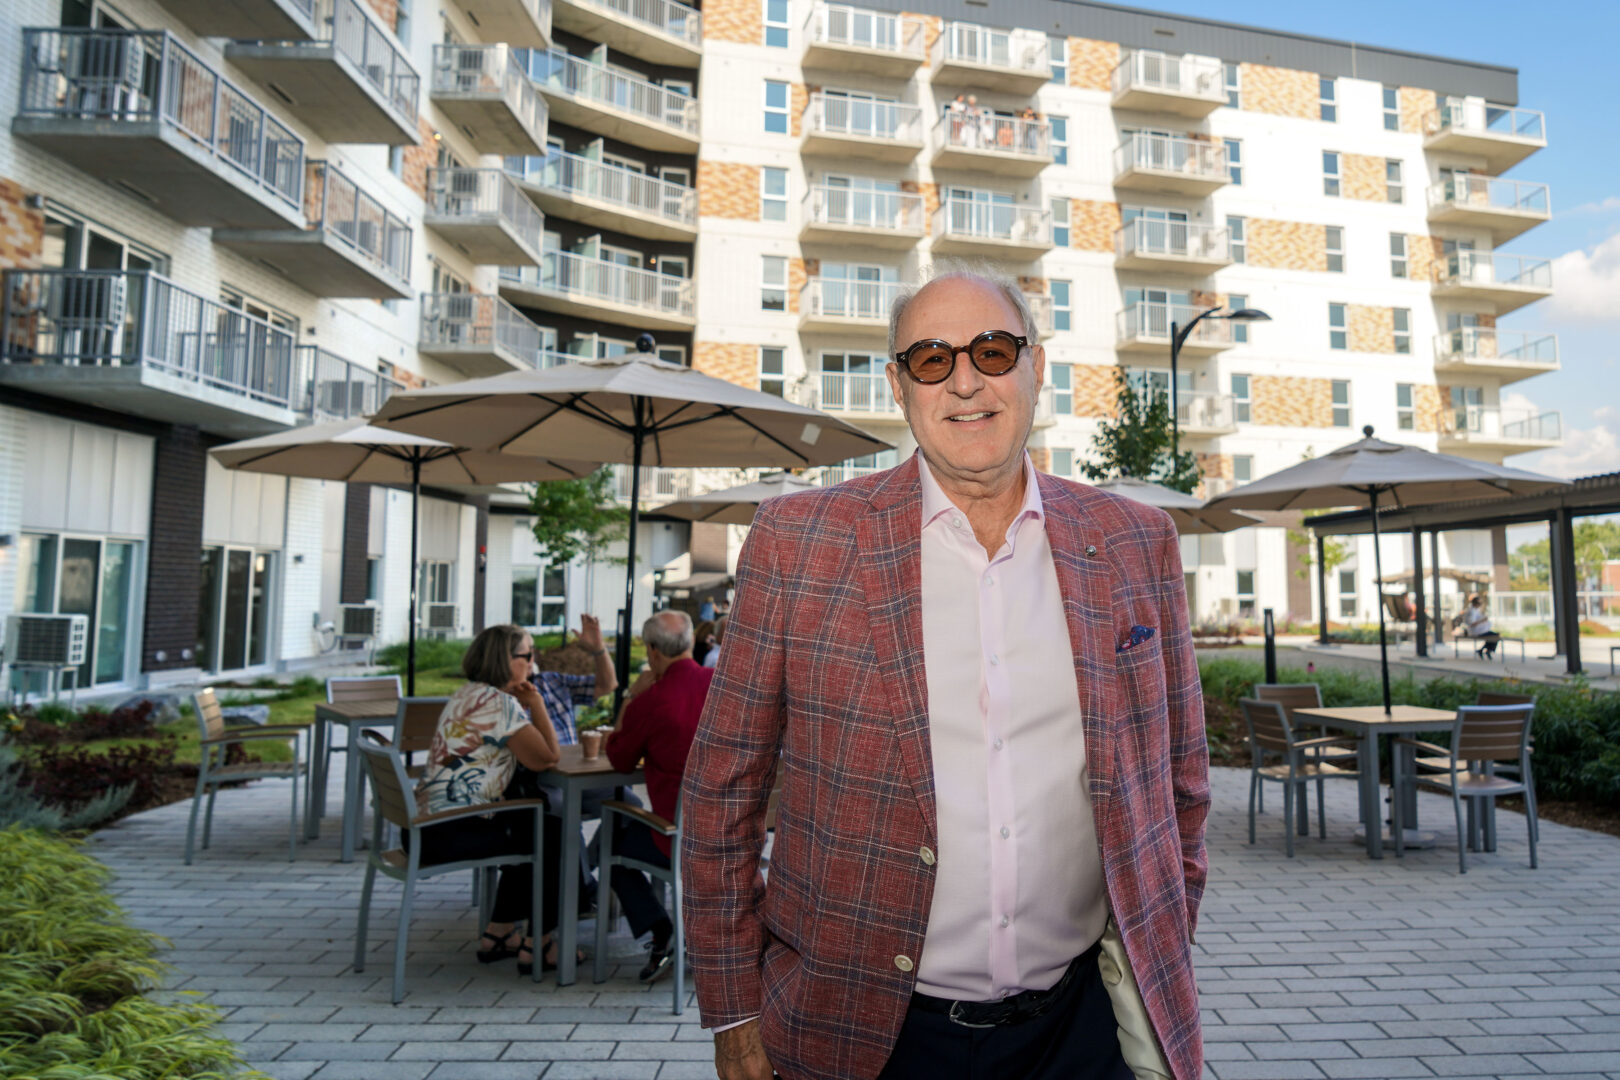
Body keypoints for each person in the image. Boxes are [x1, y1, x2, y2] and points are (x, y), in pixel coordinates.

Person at [682, 270, 1210, 1080]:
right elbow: (724, 789)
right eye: (932, 360)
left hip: (1082, 1029)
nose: (966, 380)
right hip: (863, 1035)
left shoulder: (1138, 541)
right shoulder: (800, 541)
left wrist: (1163, 934)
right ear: (898, 387)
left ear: (1036, 367)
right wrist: (734, 1012)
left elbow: (1181, 782)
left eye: (993, 351)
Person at [413, 624, 572, 975]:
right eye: (527, 656)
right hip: (450, 833)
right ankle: (541, 943)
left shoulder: (467, 693)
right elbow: (547, 758)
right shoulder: (499, 704)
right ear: (505, 659)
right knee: (551, 832)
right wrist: (536, 703)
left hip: (427, 828)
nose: (534, 663)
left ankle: (498, 933)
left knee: (532, 822)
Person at [603, 610, 714, 982]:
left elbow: (618, 759)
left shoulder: (652, 701)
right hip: (732, 833)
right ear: (688, 643)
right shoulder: (721, 685)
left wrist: (630, 698)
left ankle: (661, 931)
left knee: (614, 849)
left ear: (652, 652)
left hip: (678, 840)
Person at [1462, 592, 1499, 658]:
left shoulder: (1476, 610)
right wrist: (1482, 620)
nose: (1480, 605)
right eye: (1479, 603)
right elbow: (1472, 623)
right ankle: (1486, 650)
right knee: (1495, 636)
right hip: (1476, 631)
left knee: (1494, 636)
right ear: (1475, 603)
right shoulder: (1471, 611)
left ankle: (1483, 650)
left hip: (1481, 630)